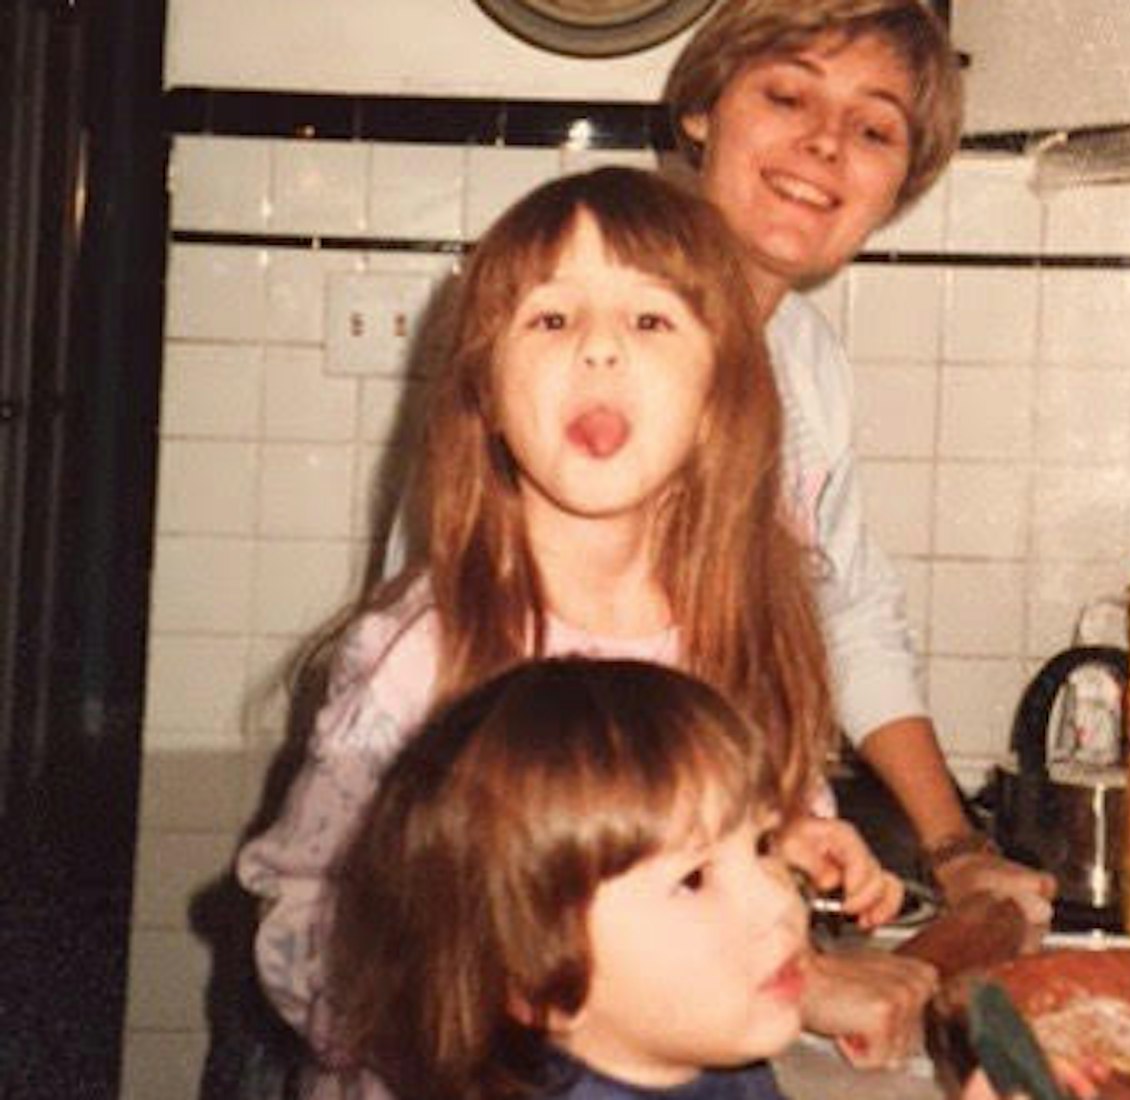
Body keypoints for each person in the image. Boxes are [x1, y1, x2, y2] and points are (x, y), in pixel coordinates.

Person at [237, 167, 928, 1100]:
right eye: (552, 320)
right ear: (484, 388)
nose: (600, 349)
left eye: (650, 321)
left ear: (722, 393)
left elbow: (708, 848)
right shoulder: (426, 656)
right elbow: (303, 923)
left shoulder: (739, 635)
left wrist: (788, 841)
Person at [662, 0, 1056, 920]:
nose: (826, 144)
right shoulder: (605, 326)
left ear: (900, 183)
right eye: (788, 96)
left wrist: (955, 850)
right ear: (702, 108)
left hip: (702, 867)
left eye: (874, 128)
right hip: (528, 898)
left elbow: (847, 606)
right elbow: (529, 697)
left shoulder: (804, 360)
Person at [327, 658, 1105, 1100]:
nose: (775, 896)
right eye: (696, 878)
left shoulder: (705, 1060)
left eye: (764, 844)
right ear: (528, 974)